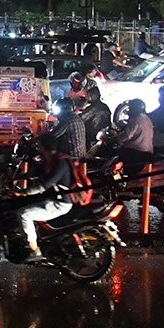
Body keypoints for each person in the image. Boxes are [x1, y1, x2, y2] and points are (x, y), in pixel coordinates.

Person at [15, 131, 75, 261]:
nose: (37, 148)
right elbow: (36, 173)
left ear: (43, 147)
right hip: (50, 199)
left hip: (59, 204)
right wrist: (18, 177)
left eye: (39, 145)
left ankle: (35, 251)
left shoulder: (60, 164)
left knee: (24, 214)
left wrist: (23, 192)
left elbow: (43, 185)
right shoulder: (50, 160)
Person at [112, 98, 155, 169]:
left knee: (115, 154)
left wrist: (115, 139)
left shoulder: (135, 120)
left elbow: (127, 135)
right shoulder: (147, 118)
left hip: (136, 152)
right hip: (148, 151)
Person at [78, 84, 112, 153]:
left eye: (88, 96)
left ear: (93, 96)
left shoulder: (94, 108)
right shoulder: (104, 106)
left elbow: (83, 117)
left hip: (93, 136)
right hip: (103, 133)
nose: (87, 98)